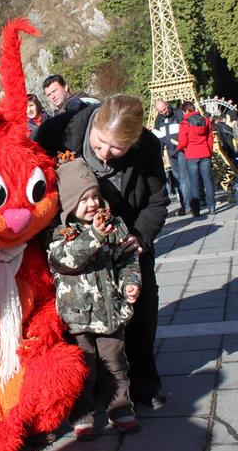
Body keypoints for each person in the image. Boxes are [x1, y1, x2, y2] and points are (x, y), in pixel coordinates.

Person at [36, 94, 169, 408]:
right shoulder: (57, 133)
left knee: (141, 307)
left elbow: (156, 201)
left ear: (133, 143)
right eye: (99, 145)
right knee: (75, 331)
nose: (106, 154)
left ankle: (144, 384)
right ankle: (79, 397)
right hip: (72, 241)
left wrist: (141, 235)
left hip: (123, 240)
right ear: (93, 124)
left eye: (116, 149)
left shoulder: (147, 147)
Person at [47, 157, 141, 439]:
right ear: (68, 202)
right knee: (84, 367)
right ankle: (83, 412)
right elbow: (67, 260)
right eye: (83, 199)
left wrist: (130, 284)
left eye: (95, 196)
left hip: (110, 311)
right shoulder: (59, 234)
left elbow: (127, 259)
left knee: (115, 362)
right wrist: (95, 236)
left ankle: (120, 407)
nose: (92, 204)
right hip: (76, 317)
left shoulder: (114, 225)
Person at [178, 102, 216, 216]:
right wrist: (210, 151)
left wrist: (180, 147)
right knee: (208, 181)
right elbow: (210, 137)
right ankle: (212, 206)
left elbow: (183, 141)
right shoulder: (205, 120)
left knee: (194, 183)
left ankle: (196, 209)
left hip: (191, 154)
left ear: (185, 111)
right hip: (205, 152)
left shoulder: (185, 123)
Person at [152, 99, 188, 216]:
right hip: (171, 151)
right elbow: (159, 138)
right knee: (177, 178)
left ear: (168, 105)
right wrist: (160, 152)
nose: (165, 112)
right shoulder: (158, 120)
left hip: (182, 149)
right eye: (161, 111)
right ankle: (186, 203)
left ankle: (186, 206)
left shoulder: (178, 114)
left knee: (183, 178)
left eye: (165, 109)